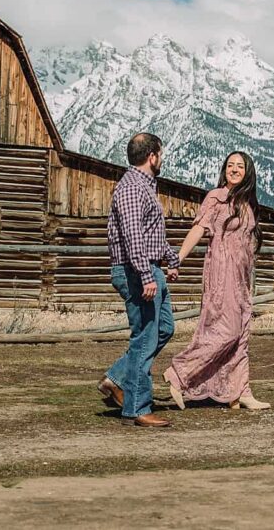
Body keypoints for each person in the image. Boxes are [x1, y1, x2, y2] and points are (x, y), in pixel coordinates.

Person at [163, 151, 271, 411]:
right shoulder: (216, 197)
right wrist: (178, 258)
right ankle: (179, 374)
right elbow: (199, 228)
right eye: (230, 165)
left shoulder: (246, 204)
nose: (234, 169)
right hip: (221, 275)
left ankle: (240, 391)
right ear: (225, 170)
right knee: (226, 332)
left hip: (242, 277)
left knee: (242, 334)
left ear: (248, 172)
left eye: (240, 166)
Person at [97, 133, 180, 427]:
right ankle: (137, 408)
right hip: (137, 271)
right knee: (145, 338)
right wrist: (147, 275)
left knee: (164, 329)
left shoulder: (144, 186)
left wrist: (170, 258)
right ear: (152, 157)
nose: (162, 158)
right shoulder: (132, 188)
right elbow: (133, 237)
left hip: (148, 268)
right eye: (162, 153)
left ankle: (117, 378)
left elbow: (149, 234)